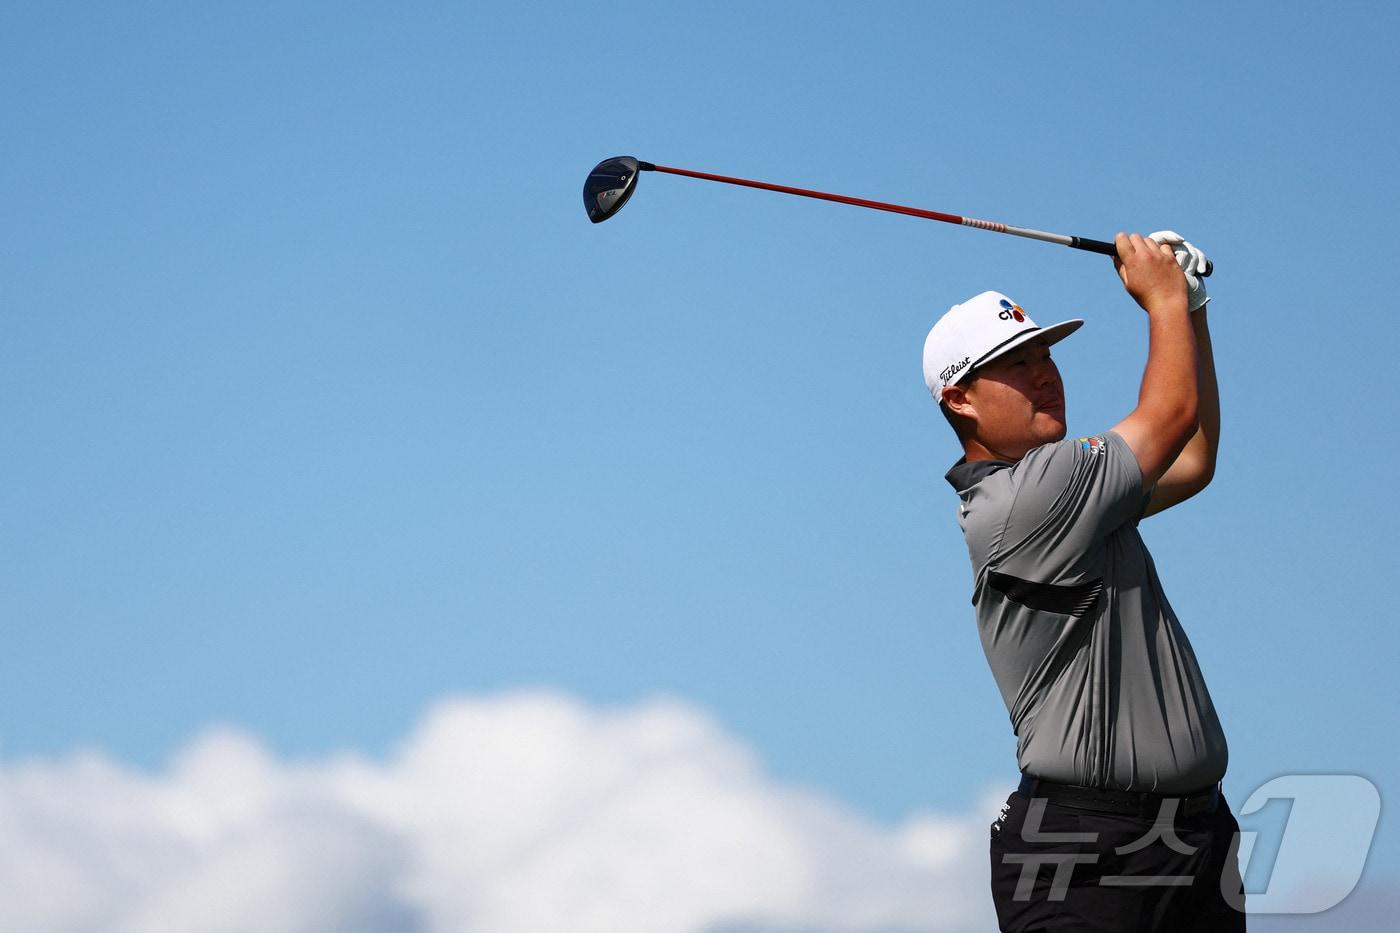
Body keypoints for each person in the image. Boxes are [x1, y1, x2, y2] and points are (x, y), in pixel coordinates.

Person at [923, 232, 1245, 932]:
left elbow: (1191, 458)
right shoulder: (1026, 497)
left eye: (1044, 355)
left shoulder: (1075, 494)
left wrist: (1191, 311)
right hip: (1084, 848)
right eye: (1014, 364)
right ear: (961, 399)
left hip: (1194, 840)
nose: (1045, 373)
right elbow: (1169, 418)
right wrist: (1162, 300)